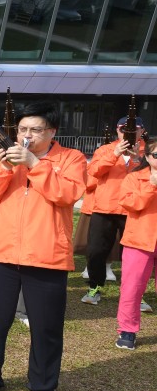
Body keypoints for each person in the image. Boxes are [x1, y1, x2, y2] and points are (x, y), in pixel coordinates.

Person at [0, 102, 86, 391]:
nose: (27, 136)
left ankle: (44, 384)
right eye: (22, 129)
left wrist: (36, 164)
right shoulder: (0, 158)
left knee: (46, 327)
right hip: (2, 253)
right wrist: (3, 169)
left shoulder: (71, 158)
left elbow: (68, 194)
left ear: (52, 132)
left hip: (47, 255)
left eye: (35, 130)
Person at [82, 115, 145, 304]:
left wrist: (137, 159)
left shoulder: (149, 150)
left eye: (134, 129)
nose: (128, 133)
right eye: (123, 129)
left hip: (135, 208)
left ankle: (136, 294)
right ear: (117, 130)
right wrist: (115, 154)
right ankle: (95, 288)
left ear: (142, 131)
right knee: (95, 251)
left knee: (136, 255)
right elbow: (93, 172)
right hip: (105, 207)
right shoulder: (105, 149)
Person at [114, 137, 157, 350]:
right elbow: (131, 204)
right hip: (139, 240)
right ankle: (127, 330)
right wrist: (151, 186)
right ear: (148, 157)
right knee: (132, 288)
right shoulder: (134, 178)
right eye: (156, 155)